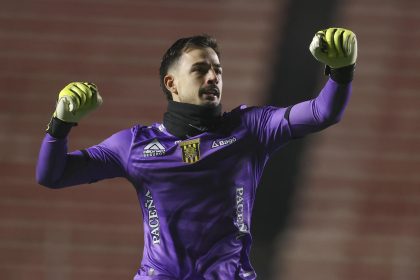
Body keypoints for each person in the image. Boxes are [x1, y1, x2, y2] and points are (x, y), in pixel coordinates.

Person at [36, 28, 357, 279]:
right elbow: (53, 175)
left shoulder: (251, 128)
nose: (213, 77)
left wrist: (341, 72)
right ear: (171, 83)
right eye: (200, 69)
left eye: (218, 70)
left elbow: (321, 112)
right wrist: (61, 124)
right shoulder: (132, 146)